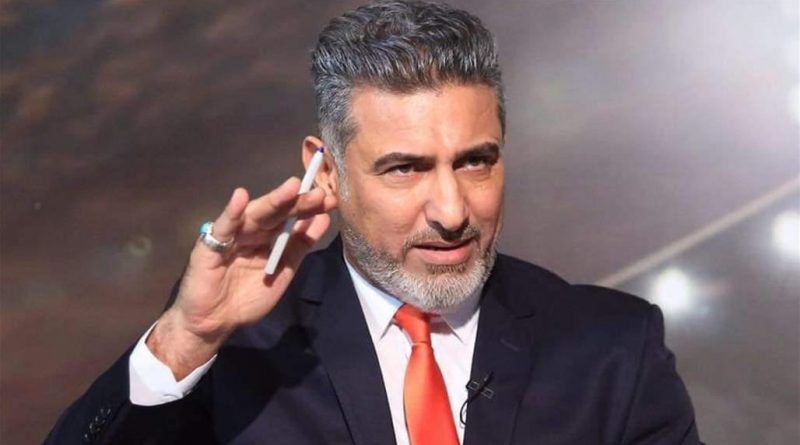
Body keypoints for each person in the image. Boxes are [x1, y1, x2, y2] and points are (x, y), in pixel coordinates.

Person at [45, 1, 702, 444]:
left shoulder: (614, 348)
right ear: (327, 172)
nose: (452, 211)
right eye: (405, 169)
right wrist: (184, 340)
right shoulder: (239, 345)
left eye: (475, 161)